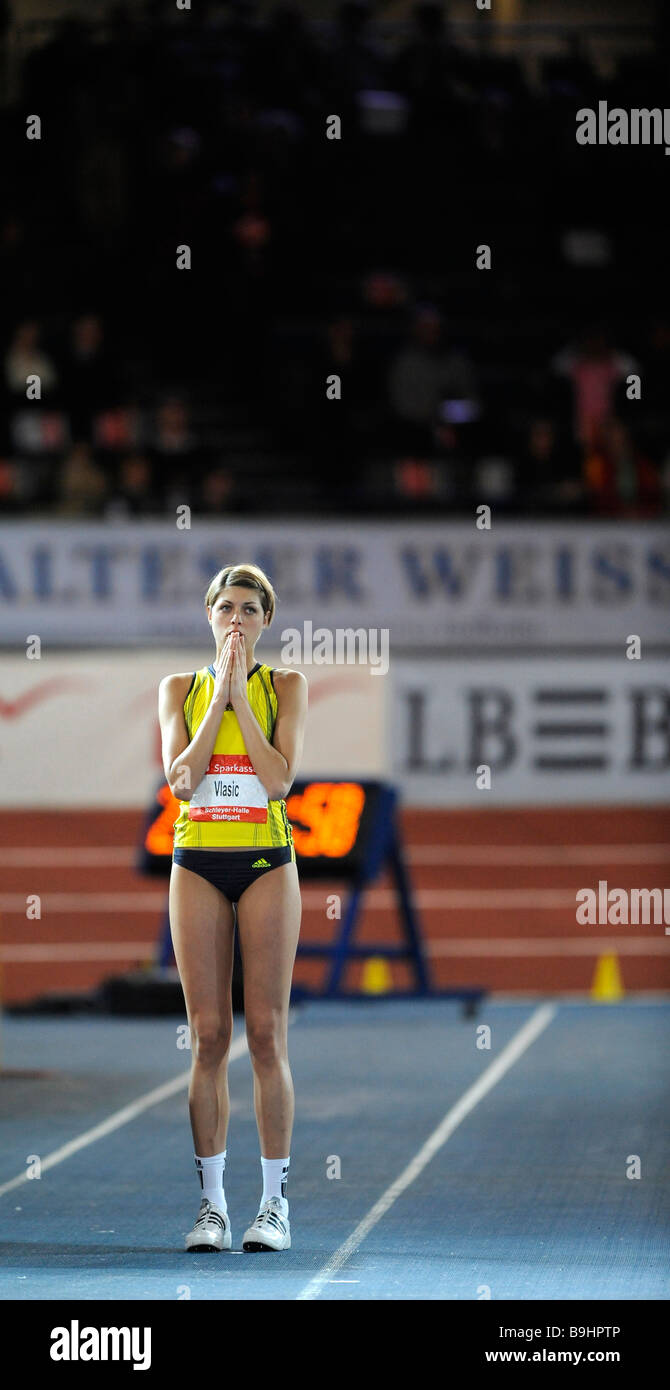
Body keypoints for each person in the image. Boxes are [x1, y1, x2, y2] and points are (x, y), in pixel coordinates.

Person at [158, 563, 308, 1252]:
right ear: (209, 618)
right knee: (209, 1036)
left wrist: (242, 699)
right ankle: (212, 1206)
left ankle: (274, 1204)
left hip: (264, 864)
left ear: (266, 620)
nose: (237, 620)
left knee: (266, 1034)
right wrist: (217, 694)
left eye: (250, 609)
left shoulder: (285, 687)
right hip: (198, 863)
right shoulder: (180, 689)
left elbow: (278, 783)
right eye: (225, 608)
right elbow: (182, 781)